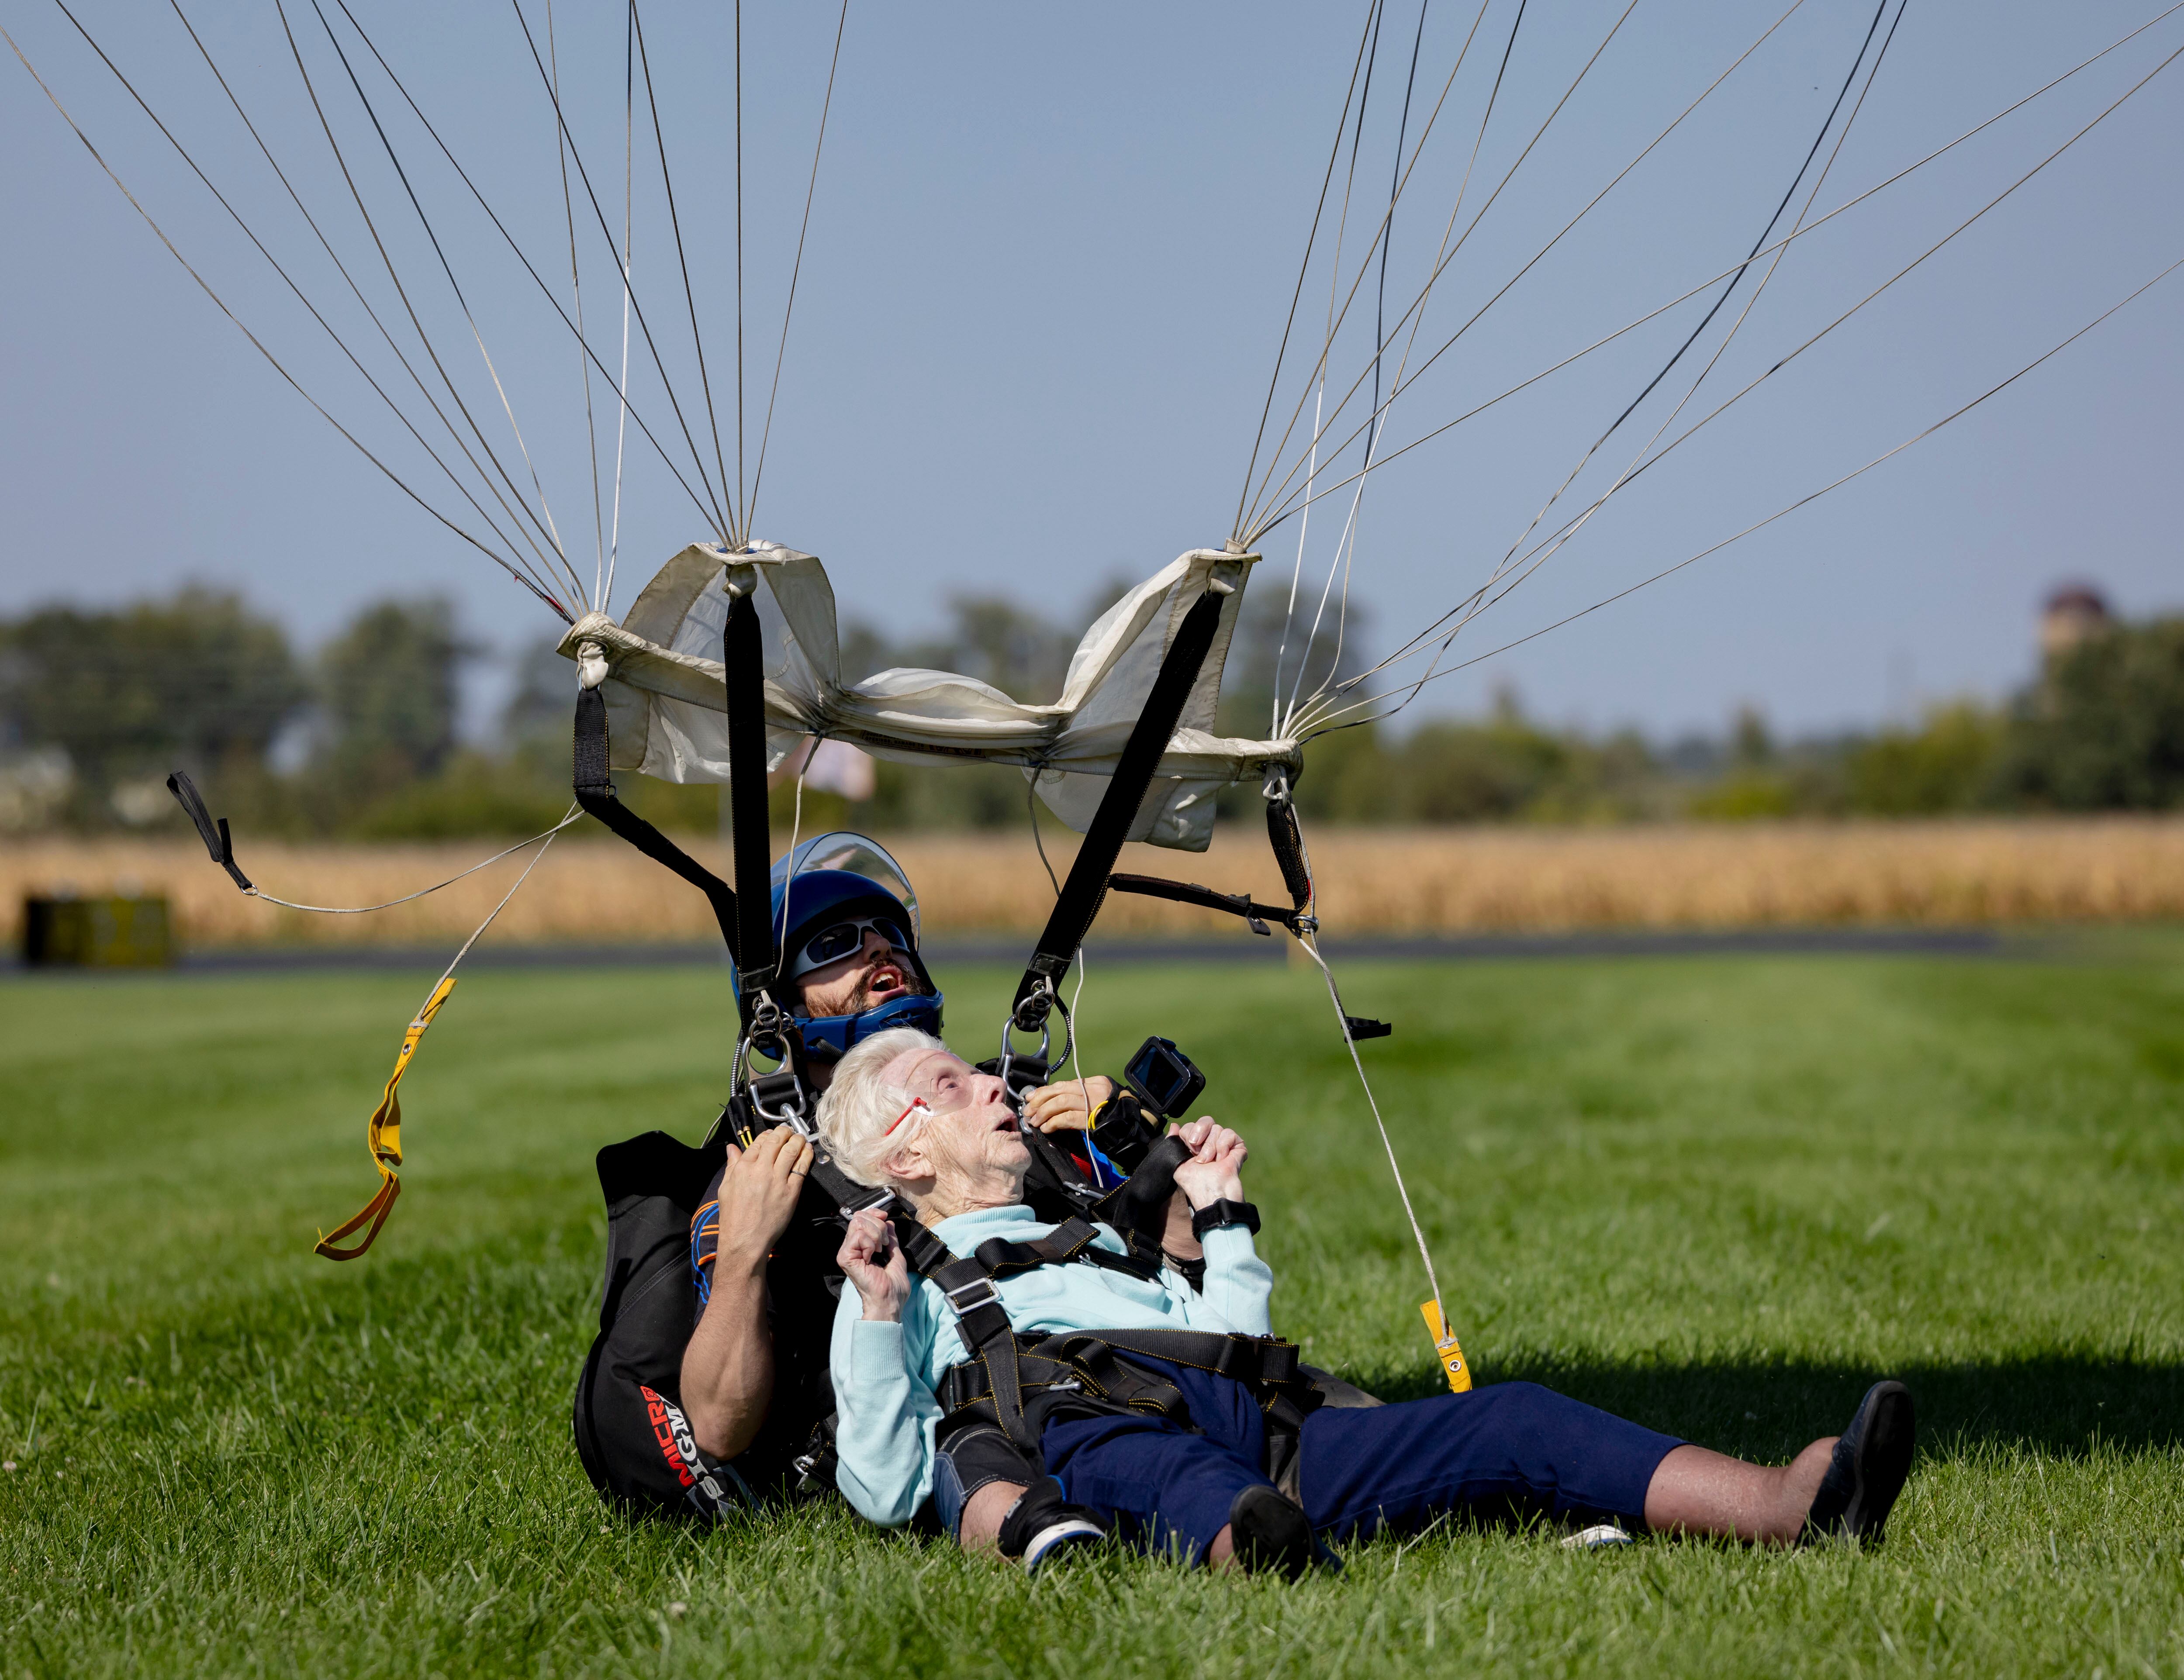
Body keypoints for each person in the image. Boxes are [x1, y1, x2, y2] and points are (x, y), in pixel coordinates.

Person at [817, 1028, 1919, 1574]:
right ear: (904, 1154)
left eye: (980, 1073)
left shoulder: (1093, 1232)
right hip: (1092, 1433)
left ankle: (1784, 1504)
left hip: (1253, 1424)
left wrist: (1223, 1215)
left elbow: (1236, 1345)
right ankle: (1271, 1559)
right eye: (953, 1085)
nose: (995, 1084)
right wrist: (873, 1314)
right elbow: (883, 1483)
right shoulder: (898, 1274)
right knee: (1186, 1480)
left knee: (1514, 1414)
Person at [675, 835, 1161, 1563]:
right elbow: (717, 1427)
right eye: (835, 945)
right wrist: (743, 1252)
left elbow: (1179, 1277)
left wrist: (1135, 1144)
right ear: (781, 1005)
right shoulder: (770, 1166)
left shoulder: (1010, 1110)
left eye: (889, 935)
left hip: (1119, 1381)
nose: (880, 949)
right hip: (964, 1429)